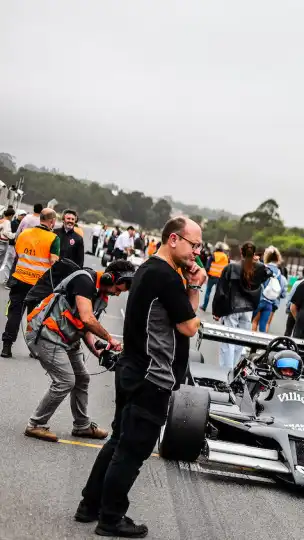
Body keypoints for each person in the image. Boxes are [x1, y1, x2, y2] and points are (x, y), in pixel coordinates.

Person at [75, 217, 206, 538]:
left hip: (133, 368)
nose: (197, 252)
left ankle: (89, 505)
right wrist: (196, 286)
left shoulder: (150, 269)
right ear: (173, 239)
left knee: (120, 440)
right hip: (151, 375)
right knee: (133, 449)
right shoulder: (165, 276)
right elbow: (189, 325)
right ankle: (111, 517)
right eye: (194, 245)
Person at [23, 260, 134, 443]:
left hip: (66, 338)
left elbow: (85, 329)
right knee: (66, 380)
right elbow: (87, 318)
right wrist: (110, 339)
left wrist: (100, 352)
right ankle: (35, 424)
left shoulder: (101, 296)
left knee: (82, 378)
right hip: (46, 334)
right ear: (110, 277)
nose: (118, 293)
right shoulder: (84, 280)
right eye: (119, 288)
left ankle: (82, 426)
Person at [1, 208, 60, 358]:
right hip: (39, 285)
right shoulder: (53, 238)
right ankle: (34, 349)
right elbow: (54, 262)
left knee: (15, 314)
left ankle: (6, 347)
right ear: (52, 221)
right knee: (35, 318)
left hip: (20, 279)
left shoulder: (24, 233)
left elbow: (19, 253)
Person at [211, 241, 268, 369]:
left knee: (228, 341)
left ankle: (226, 371)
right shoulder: (259, 269)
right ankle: (235, 369)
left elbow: (221, 291)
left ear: (241, 252)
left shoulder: (231, 268)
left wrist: (217, 311)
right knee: (240, 341)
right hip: (248, 310)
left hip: (231, 308)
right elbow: (266, 275)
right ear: (253, 254)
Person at [251, 246, 285, 333]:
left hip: (259, 300)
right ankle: (262, 345)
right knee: (264, 325)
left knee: (254, 322)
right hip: (270, 303)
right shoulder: (278, 272)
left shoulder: (262, 267)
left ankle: (251, 345)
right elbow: (280, 289)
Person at [284, 267, 304, 337]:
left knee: (288, 330)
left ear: (302, 273)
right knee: (299, 331)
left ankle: (285, 345)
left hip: (293, 308)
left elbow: (291, 295)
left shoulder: (297, 283)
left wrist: (288, 306)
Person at [200, 243, 229, 311]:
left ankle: (204, 306)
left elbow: (207, 267)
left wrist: (207, 274)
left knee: (208, 292)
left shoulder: (213, 256)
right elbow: (227, 268)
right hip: (220, 278)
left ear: (216, 248)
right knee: (218, 294)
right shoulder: (225, 257)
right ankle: (216, 309)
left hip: (211, 277)